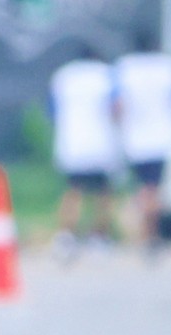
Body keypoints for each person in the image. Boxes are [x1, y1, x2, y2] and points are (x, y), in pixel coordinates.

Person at [113, 30, 171, 258]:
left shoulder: (124, 68)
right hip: (162, 138)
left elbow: (117, 105)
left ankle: (145, 234)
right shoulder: (169, 67)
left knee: (143, 189)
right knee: (154, 190)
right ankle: (151, 236)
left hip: (135, 140)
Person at [48, 50, 119, 258]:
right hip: (101, 143)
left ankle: (65, 237)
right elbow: (116, 108)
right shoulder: (107, 75)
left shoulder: (63, 77)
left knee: (73, 191)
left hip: (72, 143)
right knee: (103, 193)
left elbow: (53, 111)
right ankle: (99, 238)